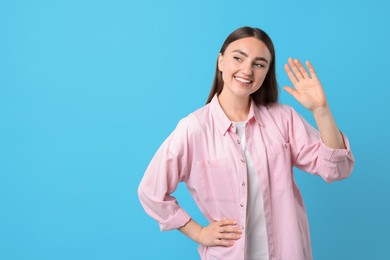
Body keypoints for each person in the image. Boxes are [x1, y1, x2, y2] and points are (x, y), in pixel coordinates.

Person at [138, 26, 354, 260]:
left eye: (259, 64)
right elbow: (151, 191)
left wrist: (321, 111)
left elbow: (336, 170)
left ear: (266, 72)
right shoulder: (194, 128)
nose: (247, 70)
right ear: (220, 61)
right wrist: (198, 232)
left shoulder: (284, 119)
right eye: (238, 58)